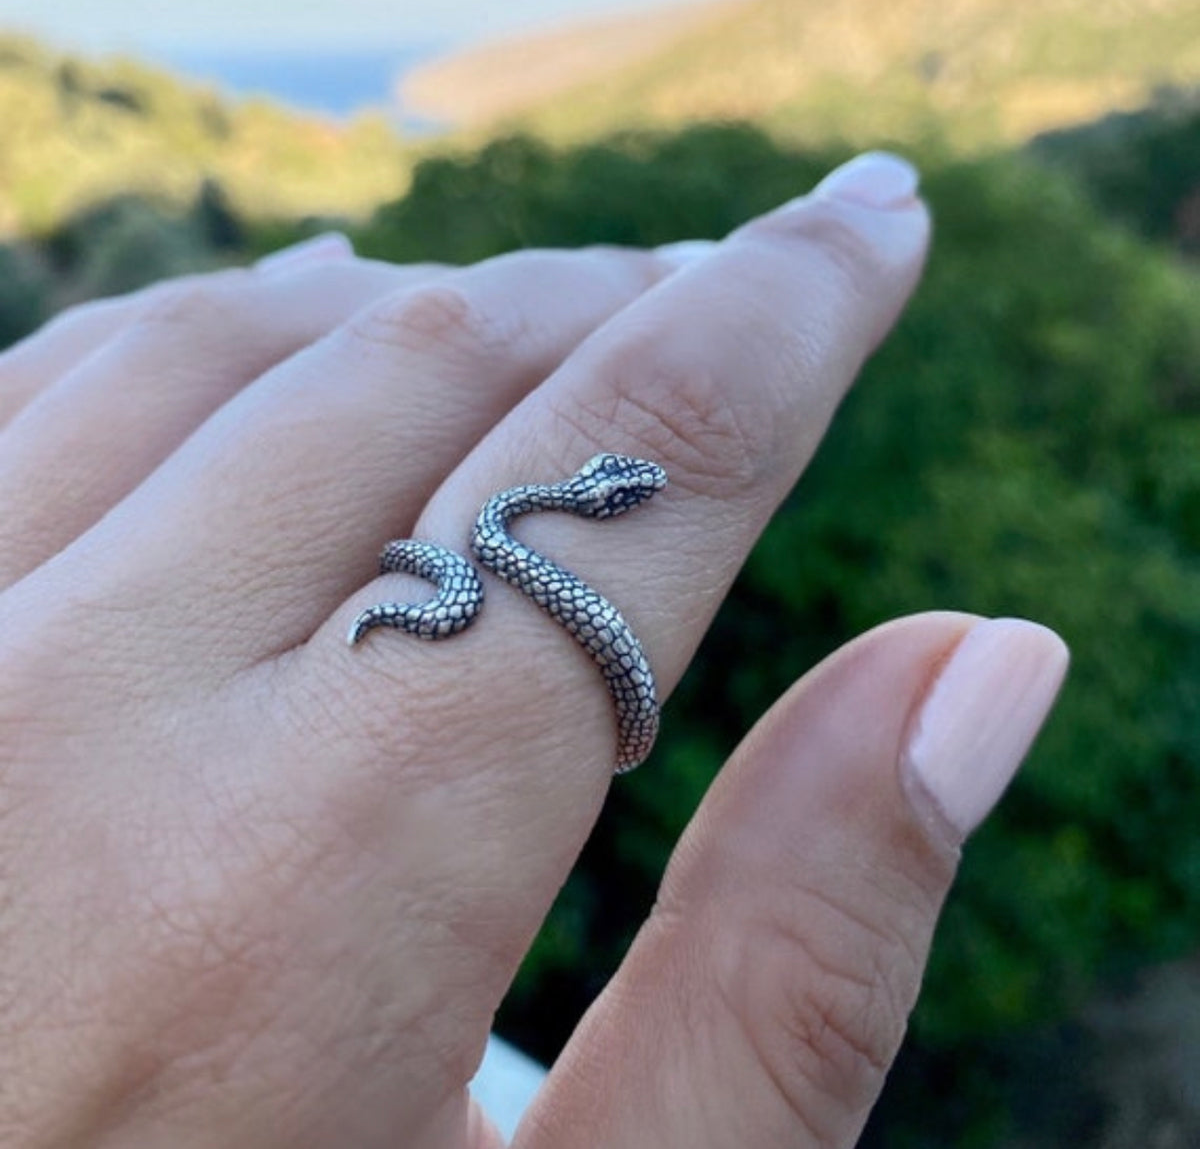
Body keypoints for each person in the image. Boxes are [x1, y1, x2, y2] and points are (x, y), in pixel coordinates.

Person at [0, 151, 1067, 1147]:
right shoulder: (505, 536)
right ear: (596, 501)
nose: (633, 493)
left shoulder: (522, 526)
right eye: (623, 493)